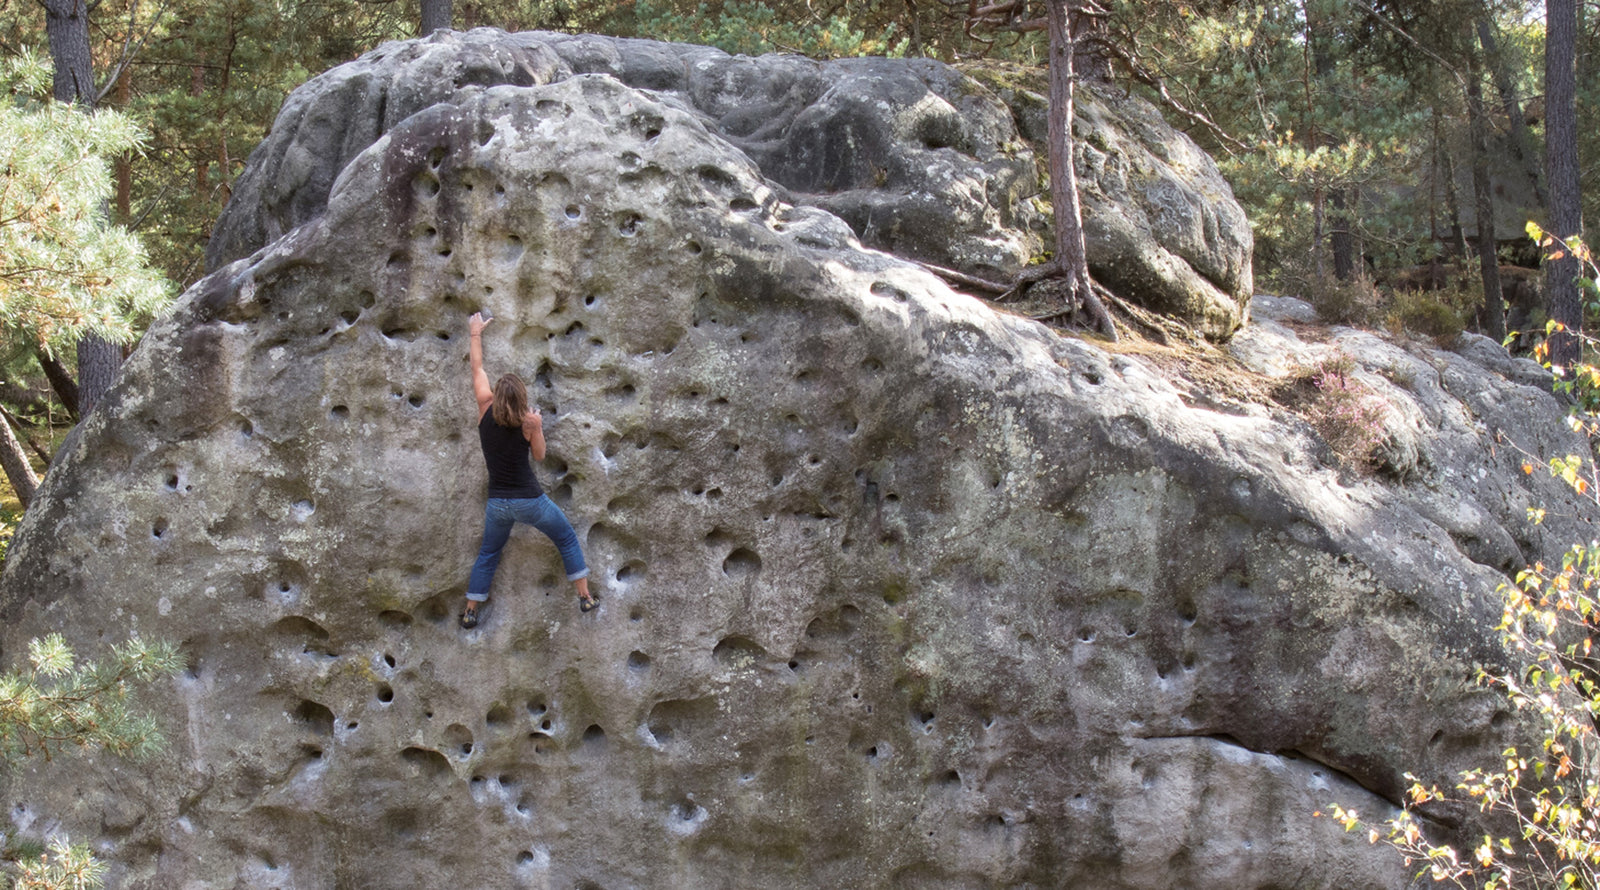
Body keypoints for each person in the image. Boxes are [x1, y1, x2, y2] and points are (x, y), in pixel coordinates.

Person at [461, 311, 594, 629]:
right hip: (529, 500)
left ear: (496, 394)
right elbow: (540, 456)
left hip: (498, 504)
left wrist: (475, 332)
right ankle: (585, 597)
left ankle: (469, 611)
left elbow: (476, 367)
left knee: (488, 554)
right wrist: (538, 427)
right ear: (522, 397)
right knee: (565, 538)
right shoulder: (528, 421)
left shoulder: (483, 408)